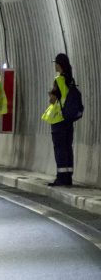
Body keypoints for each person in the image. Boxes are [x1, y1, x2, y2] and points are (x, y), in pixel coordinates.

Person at [41, 53, 78, 187]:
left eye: (56, 63)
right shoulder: (70, 80)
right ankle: (68, 177)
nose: (55, 65)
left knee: (59, 148)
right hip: (68, 119)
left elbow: (53, 100)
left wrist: (51, 94)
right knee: (68, 147)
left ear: (60, 65)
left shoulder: (59, 80)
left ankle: (61, 177)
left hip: (58, 118)